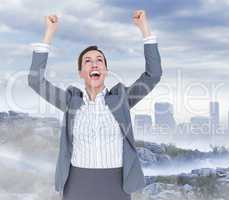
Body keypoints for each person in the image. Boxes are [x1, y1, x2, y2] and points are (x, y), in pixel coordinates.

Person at [28, 10, 162, 200]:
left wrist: (145, 30)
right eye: (88, 61)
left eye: (99, 60)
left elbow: (153, 75)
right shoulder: (70, 102)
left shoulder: (121, 100)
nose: (94, 64)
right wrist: (49, 33)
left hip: (116, 185)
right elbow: (36, 81)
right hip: (77, 184)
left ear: (106, 71)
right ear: (81, 72)